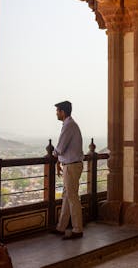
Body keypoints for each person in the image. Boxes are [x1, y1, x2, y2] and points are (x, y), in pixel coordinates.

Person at [51, 101, 85, 240]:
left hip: (71, 166)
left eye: (57, 111)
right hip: (71, 165)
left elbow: (60, 148)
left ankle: (77, 229)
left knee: (72, 197)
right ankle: (61, 227)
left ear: (63, 112)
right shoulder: (70, 124)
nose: (56, 113)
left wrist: (54, 156)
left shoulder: (68, 126)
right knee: (67, 196)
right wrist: (59, 161)